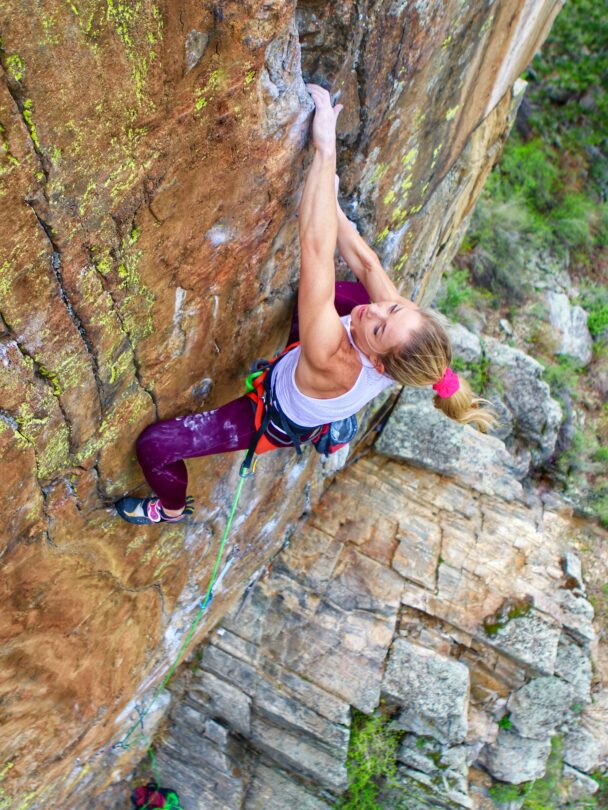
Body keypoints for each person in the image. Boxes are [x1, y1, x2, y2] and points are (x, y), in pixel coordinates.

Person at [115, 85, 494, 525]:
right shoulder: (403, 332)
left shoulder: (333, 354)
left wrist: (324, 150)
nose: (376, 311)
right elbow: (367, 263)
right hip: (317, 369)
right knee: (353, 293)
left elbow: (316, 248)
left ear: (379, 364)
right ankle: (334, 419)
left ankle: (170, 509)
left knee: (154, 446)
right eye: (393, 310)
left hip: (277, 412)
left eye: (378, 328)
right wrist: (330, 198)